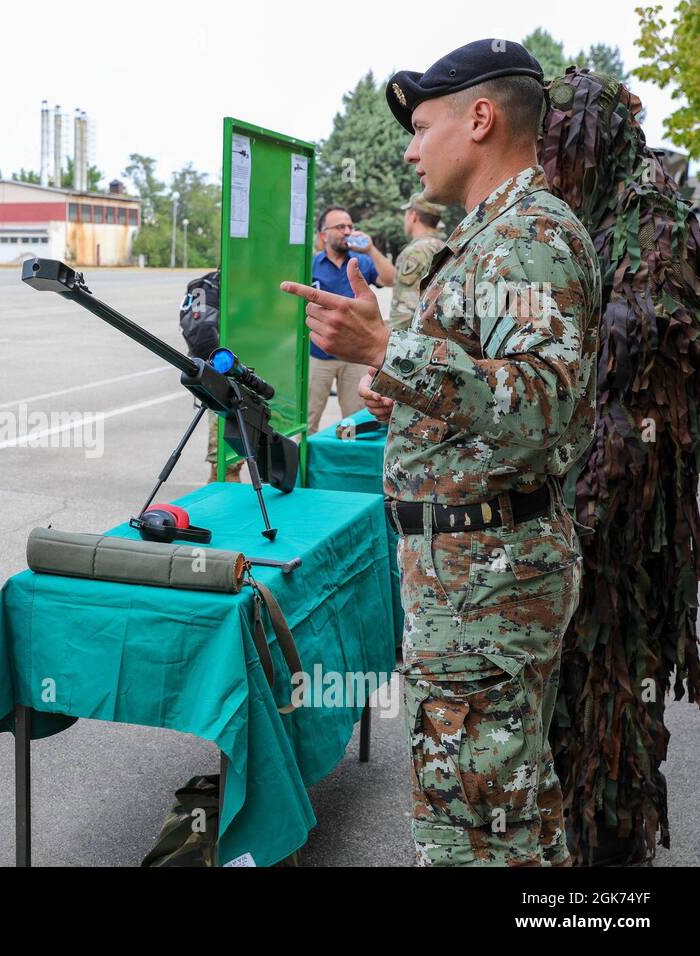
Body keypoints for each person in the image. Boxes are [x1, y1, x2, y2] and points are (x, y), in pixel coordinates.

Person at [282, 38, 600, 866]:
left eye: (422, 127)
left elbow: (546, 407)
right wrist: (407, 392)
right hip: (468, 578)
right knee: (505, 815)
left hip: (488, 588)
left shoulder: (530, 235)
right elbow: (485, 391)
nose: (411, 147)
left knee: (480, 836)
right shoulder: (487, 237)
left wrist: (392, 351)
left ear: (482, 119)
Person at [307, 206, 394, 433]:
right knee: (309, 418)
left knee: (354, 421)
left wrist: (371, 249)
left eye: (350, 226)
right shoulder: (311, 266)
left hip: (355, 357)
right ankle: (306, 465)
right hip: (318, 355)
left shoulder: (361, 262)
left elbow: (391, 279)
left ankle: (346, 462)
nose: (347, 231)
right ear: (324, 234)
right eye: (340, 226)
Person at [388, 192, 447, 331]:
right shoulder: (443, 247)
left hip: (415, 341)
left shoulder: (414, 252)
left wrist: (390, 343)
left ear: (413, 216)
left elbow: (403, 311)